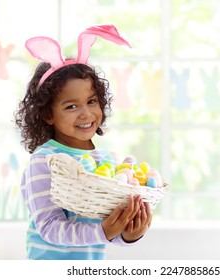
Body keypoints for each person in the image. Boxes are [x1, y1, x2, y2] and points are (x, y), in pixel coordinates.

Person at [14, 25, 152, 260]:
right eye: (71, 106)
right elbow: (49, 227)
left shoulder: (103, 161)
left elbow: (106, 227)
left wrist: (129, 234)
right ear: (48, 114)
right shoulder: (44, 161)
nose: (86, 114)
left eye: (91, 101)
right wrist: (103, 231)